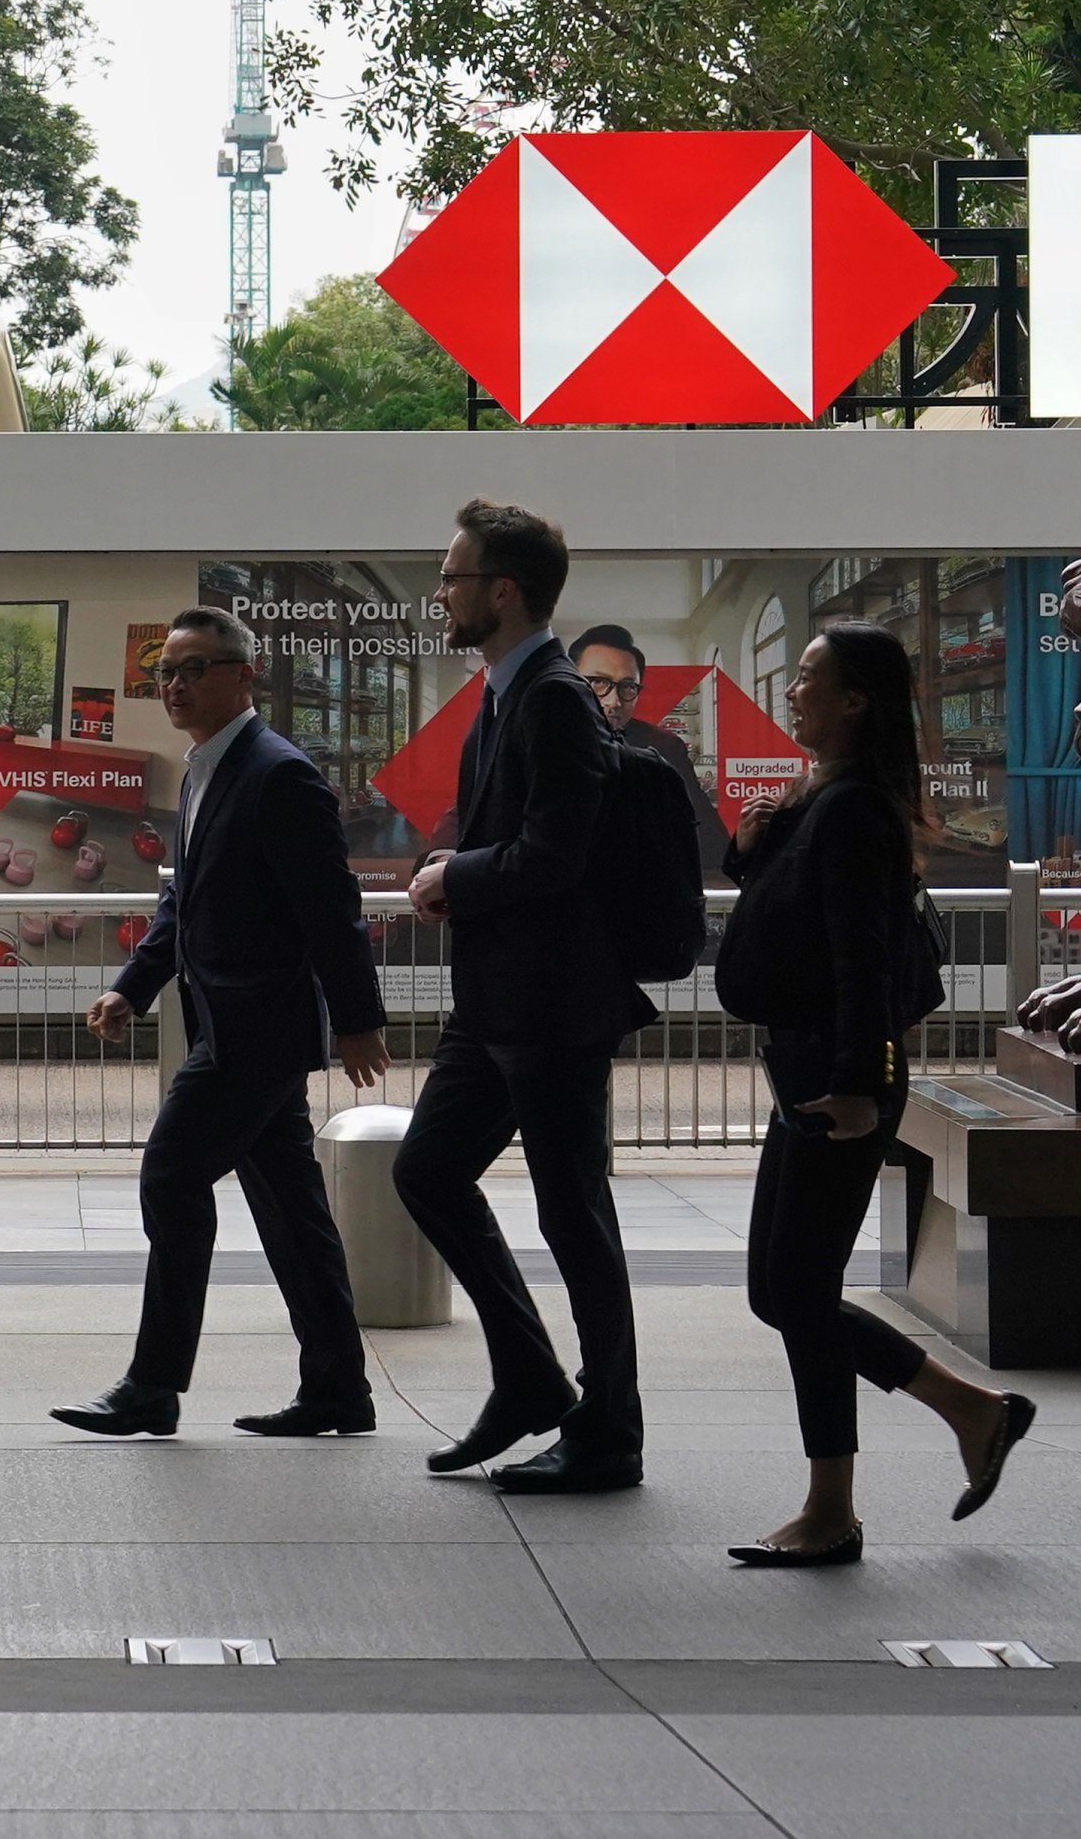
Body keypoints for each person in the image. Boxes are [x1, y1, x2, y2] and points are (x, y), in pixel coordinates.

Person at [716, 620, 1036, 1566]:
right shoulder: (829, 798)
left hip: (837, 1079)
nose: (791, 690)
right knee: (780, 1291)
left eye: (808, 677)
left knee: (795, 1291)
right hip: (808, 1072)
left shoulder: (855, 810)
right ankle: (966, 1413)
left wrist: (858, 1088)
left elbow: (861, 965)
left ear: (854, 700)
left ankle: (837, 1505)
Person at [55, 607, 394, 1441]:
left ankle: (153, 1384)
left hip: (255, 1029)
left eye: (194, 668)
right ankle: (338, 1390)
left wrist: (356, 1020)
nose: (174, 684)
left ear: (243, 676)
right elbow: (184, 899)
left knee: (170, 1177)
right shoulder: (203, 767)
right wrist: (133, 986)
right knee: (292, 1212)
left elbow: (331, 909)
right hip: (232, 1023)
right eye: (165, 671)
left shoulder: (277, 772)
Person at [391, 499, 654, 1494]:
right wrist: (445, 861)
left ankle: (609, 1430)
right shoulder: (506, 688)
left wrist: (455, 880)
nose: (443, 593)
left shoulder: (549, 695)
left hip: (551, 1003)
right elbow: (488, 820)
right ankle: (534, 1379)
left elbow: (557, 851)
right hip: (497, 997)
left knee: (574, 1213)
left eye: (454, 577)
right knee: (427, 1170)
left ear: (502, 590)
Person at [572, 623, 728, 869]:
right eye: (598, 683)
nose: (614, 702)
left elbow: (706, 838)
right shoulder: (539, 742)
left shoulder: (664, 746)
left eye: (627, 687)